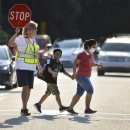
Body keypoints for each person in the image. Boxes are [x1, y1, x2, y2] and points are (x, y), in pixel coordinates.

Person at [8, 21, 43, 116]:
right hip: (21, 66)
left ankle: (25, 107)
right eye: (35, 29)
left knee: (29, 88)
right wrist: (16, 34)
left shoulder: (33, 40)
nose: (36, 31)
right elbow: (11, 44)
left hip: (31, 67)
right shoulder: (20, 38)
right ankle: (24, 108)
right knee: (26, 86)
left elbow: (35, 55)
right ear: (29, 30)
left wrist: (39, 67)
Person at [67, 39, 102, 114]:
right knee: (90, 90)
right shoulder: (82, 54)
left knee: (79, 93)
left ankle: (70, 108)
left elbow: (91, 64)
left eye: (95, 47)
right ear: (88, 46)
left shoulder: (91, 55)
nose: (94, 48)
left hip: (86, 76)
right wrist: (74, 73)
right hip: (81, 76)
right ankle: (87, 109)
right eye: (93, 46)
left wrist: (97, 65)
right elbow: (75, 64)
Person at [34, 48, 72, 113]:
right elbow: (49, 68)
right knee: (57, 93)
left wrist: (70, 76)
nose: (58, 55)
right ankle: (61, 107)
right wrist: (53, 73)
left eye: (60, 54)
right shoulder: (50, 60)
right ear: (54, 54)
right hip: (49, 79)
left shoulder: (60, 62)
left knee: (48, 93)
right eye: (57, 54)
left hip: (53, 80)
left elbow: (63, 71)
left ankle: (38, 104)